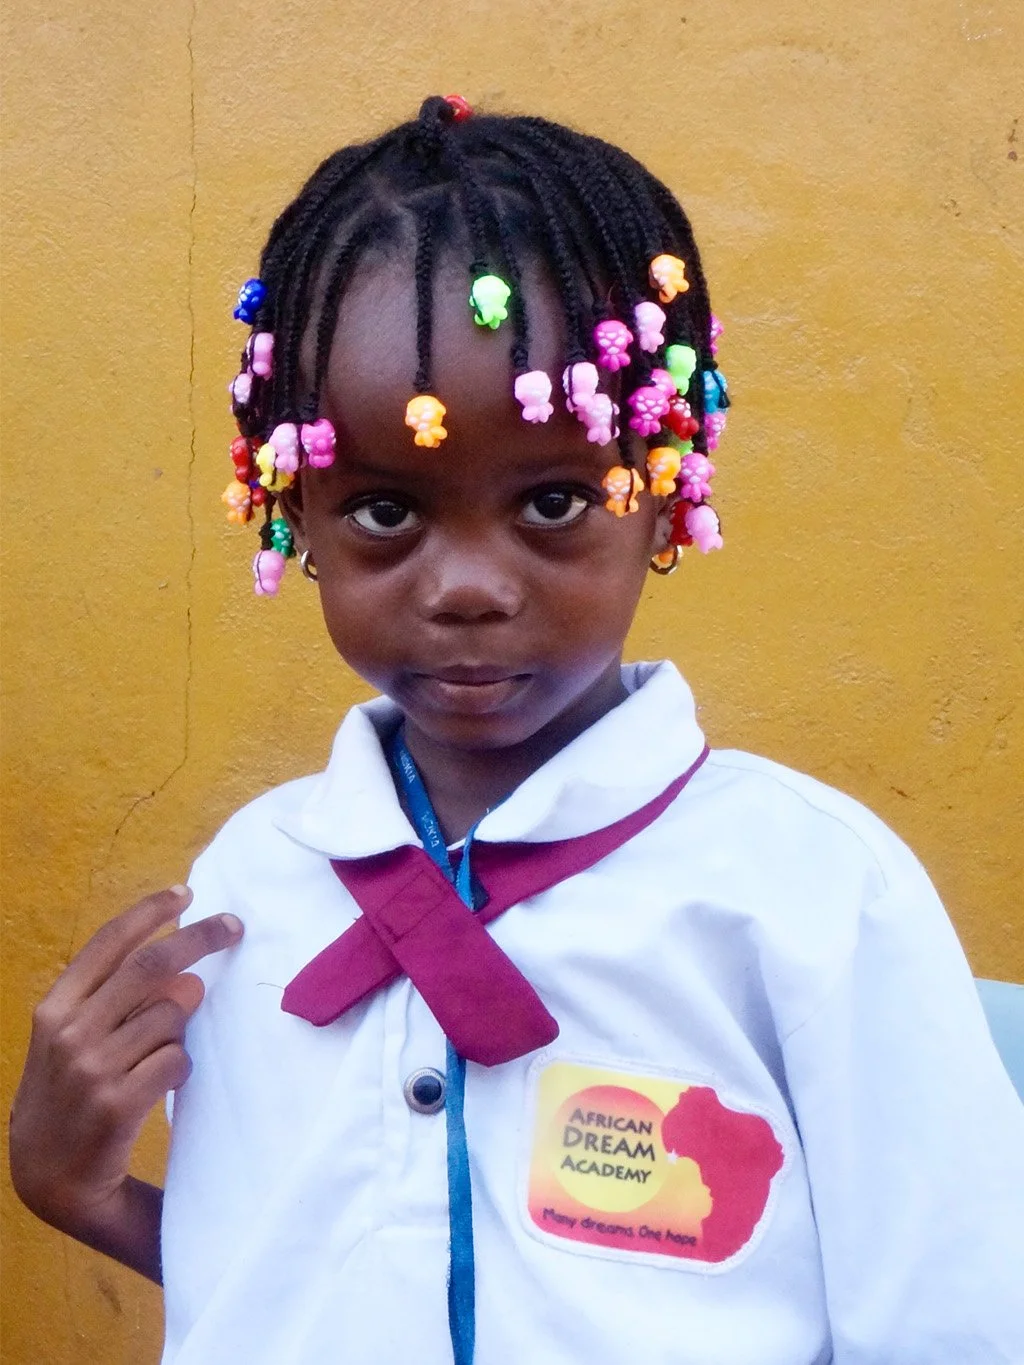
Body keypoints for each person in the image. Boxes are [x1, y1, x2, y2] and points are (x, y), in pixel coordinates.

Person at [10, 95, 1024, 1365]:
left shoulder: (812, 893)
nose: (467, 587)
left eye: (551, 501)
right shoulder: (249, 889)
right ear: (293, 513)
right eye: (383, 512)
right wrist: (78, 1190)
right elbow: (281, 1275)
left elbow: (954, 1319)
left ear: (665, 491)